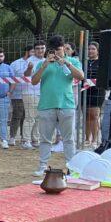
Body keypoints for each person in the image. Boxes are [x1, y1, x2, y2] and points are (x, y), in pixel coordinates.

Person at [30, 35, 82, 175]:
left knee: (69, 139)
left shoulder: (72, 61)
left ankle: (72, 167)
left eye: (59, 49)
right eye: (54, 50)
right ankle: (42, 166)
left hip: (66, 104)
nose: (57, 53)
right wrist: (45, 65)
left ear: (64, 48)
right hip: (46, 105)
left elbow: (81, 76)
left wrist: (66, 63)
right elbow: (34, 81)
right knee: (45, 139)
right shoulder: (42, 63)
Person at [20, 41, 46, 148]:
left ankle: (35, 139)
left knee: (39, 117)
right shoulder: (29, 61)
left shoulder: (46, 61)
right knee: (30, 117)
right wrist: (29, 69)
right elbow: (25, 75)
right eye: (38, 48)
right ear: (34, 50)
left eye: (42, 48)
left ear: (45, 49)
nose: (40, 50)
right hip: (30, 92)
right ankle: (26, 140)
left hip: (43, 92)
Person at [8, 45, 33, 146]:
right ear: (27, 52)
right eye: (32, 51)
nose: (35, 53)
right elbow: (11, 79)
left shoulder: (39, 62)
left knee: (28, 116)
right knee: (17, 115)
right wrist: (10, 91)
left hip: (32, 94)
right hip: (18, 94)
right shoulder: (15, 64)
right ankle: (12, 137)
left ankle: (25, 137)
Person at [83, 42, 103, 148]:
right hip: (84, 91)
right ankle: (87, 139)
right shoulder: (83, 62)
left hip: (97, 91)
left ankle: (95, 140)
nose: (90, 51)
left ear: (97, 50)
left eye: (93, 49)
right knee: (86, 116)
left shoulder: (102, 62)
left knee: (94, 116)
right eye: (89, 49)